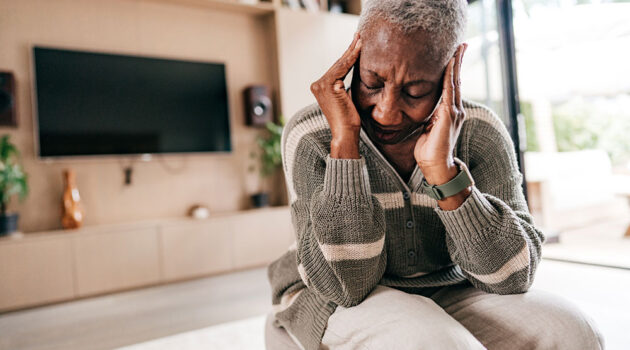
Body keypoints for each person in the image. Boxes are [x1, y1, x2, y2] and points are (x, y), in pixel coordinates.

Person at [266, 0, 605, 349]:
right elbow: (346, 286)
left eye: (415, 91)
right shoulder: (313, 134)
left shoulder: (481, 132)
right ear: (356, 52)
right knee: (438, 343)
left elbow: (513, 277)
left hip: (450, 286)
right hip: (331, 294)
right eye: (372, 82)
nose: (386, 112)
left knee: (574, 332)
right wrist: (345, 146)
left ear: (450, 71)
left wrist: (445, 174)